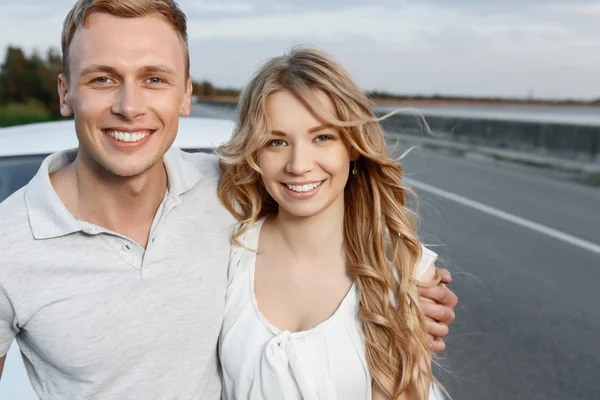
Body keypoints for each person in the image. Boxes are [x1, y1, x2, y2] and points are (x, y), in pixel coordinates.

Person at [0, 1, 457, 398]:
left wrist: (399, 281)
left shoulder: (230, 194)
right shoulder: (8, 247)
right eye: (102, 79)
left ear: (186, 94)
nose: (129, 106)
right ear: (65, 93)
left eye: (154, 78)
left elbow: (318, 203)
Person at [218, 47, 448, 399]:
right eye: (276, 141)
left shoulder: (404, 270)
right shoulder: (224, 256)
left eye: (322, 137)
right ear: (254, 151)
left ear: (353, 146)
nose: (298, 164)